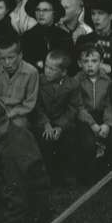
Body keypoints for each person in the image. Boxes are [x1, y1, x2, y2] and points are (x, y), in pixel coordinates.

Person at [33, 50, 79, 183]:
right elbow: (37, 106)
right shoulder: (38, 80)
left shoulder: (72, 84)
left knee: (69, 139)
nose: (47, 71)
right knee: (44, 139)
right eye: (46, 67)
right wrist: (46, 124)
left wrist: (60, 126)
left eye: (52, 69)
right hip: (42, 121)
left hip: (63, 121)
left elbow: (73, 108)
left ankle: (67, 175)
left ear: (63, 72)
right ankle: (46, 175)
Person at [75, 46, 112, 182]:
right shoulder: (77, 81)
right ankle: (88, 176)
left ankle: (108, 173)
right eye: (86, 61)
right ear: (79, 63)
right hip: (85, 118)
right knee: (88, 143)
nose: (90, 65)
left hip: (102, 116)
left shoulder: (107, 80)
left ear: (101, 62)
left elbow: (109, 105)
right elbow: (79, 107)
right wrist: (92, 124)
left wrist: (107, 124)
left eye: (94, 61)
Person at [0, 40, 39, 127]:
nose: (7, 63)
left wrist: (10, 114)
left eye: (11, 57)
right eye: (2, 58)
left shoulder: (32, 72)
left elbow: (29, 104)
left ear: (20, 55)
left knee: (17, 127)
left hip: (19, 114)